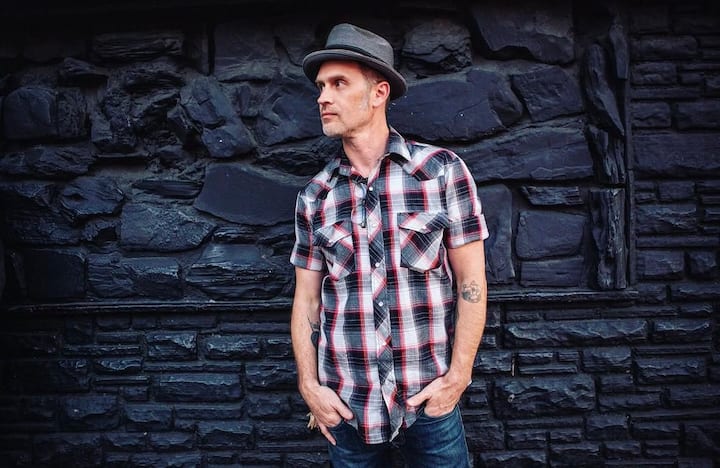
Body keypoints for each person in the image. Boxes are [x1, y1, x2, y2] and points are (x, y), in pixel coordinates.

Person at [290, 22, 489, 467]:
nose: (323, 97)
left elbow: (471, 282)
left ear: (379, 93)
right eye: (320, 86)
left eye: (339, 83)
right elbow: (306, 300)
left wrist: (458, 377)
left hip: (429, 399)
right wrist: (310, 386)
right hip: (347, 405)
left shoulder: (441, 173)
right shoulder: (316, 196)